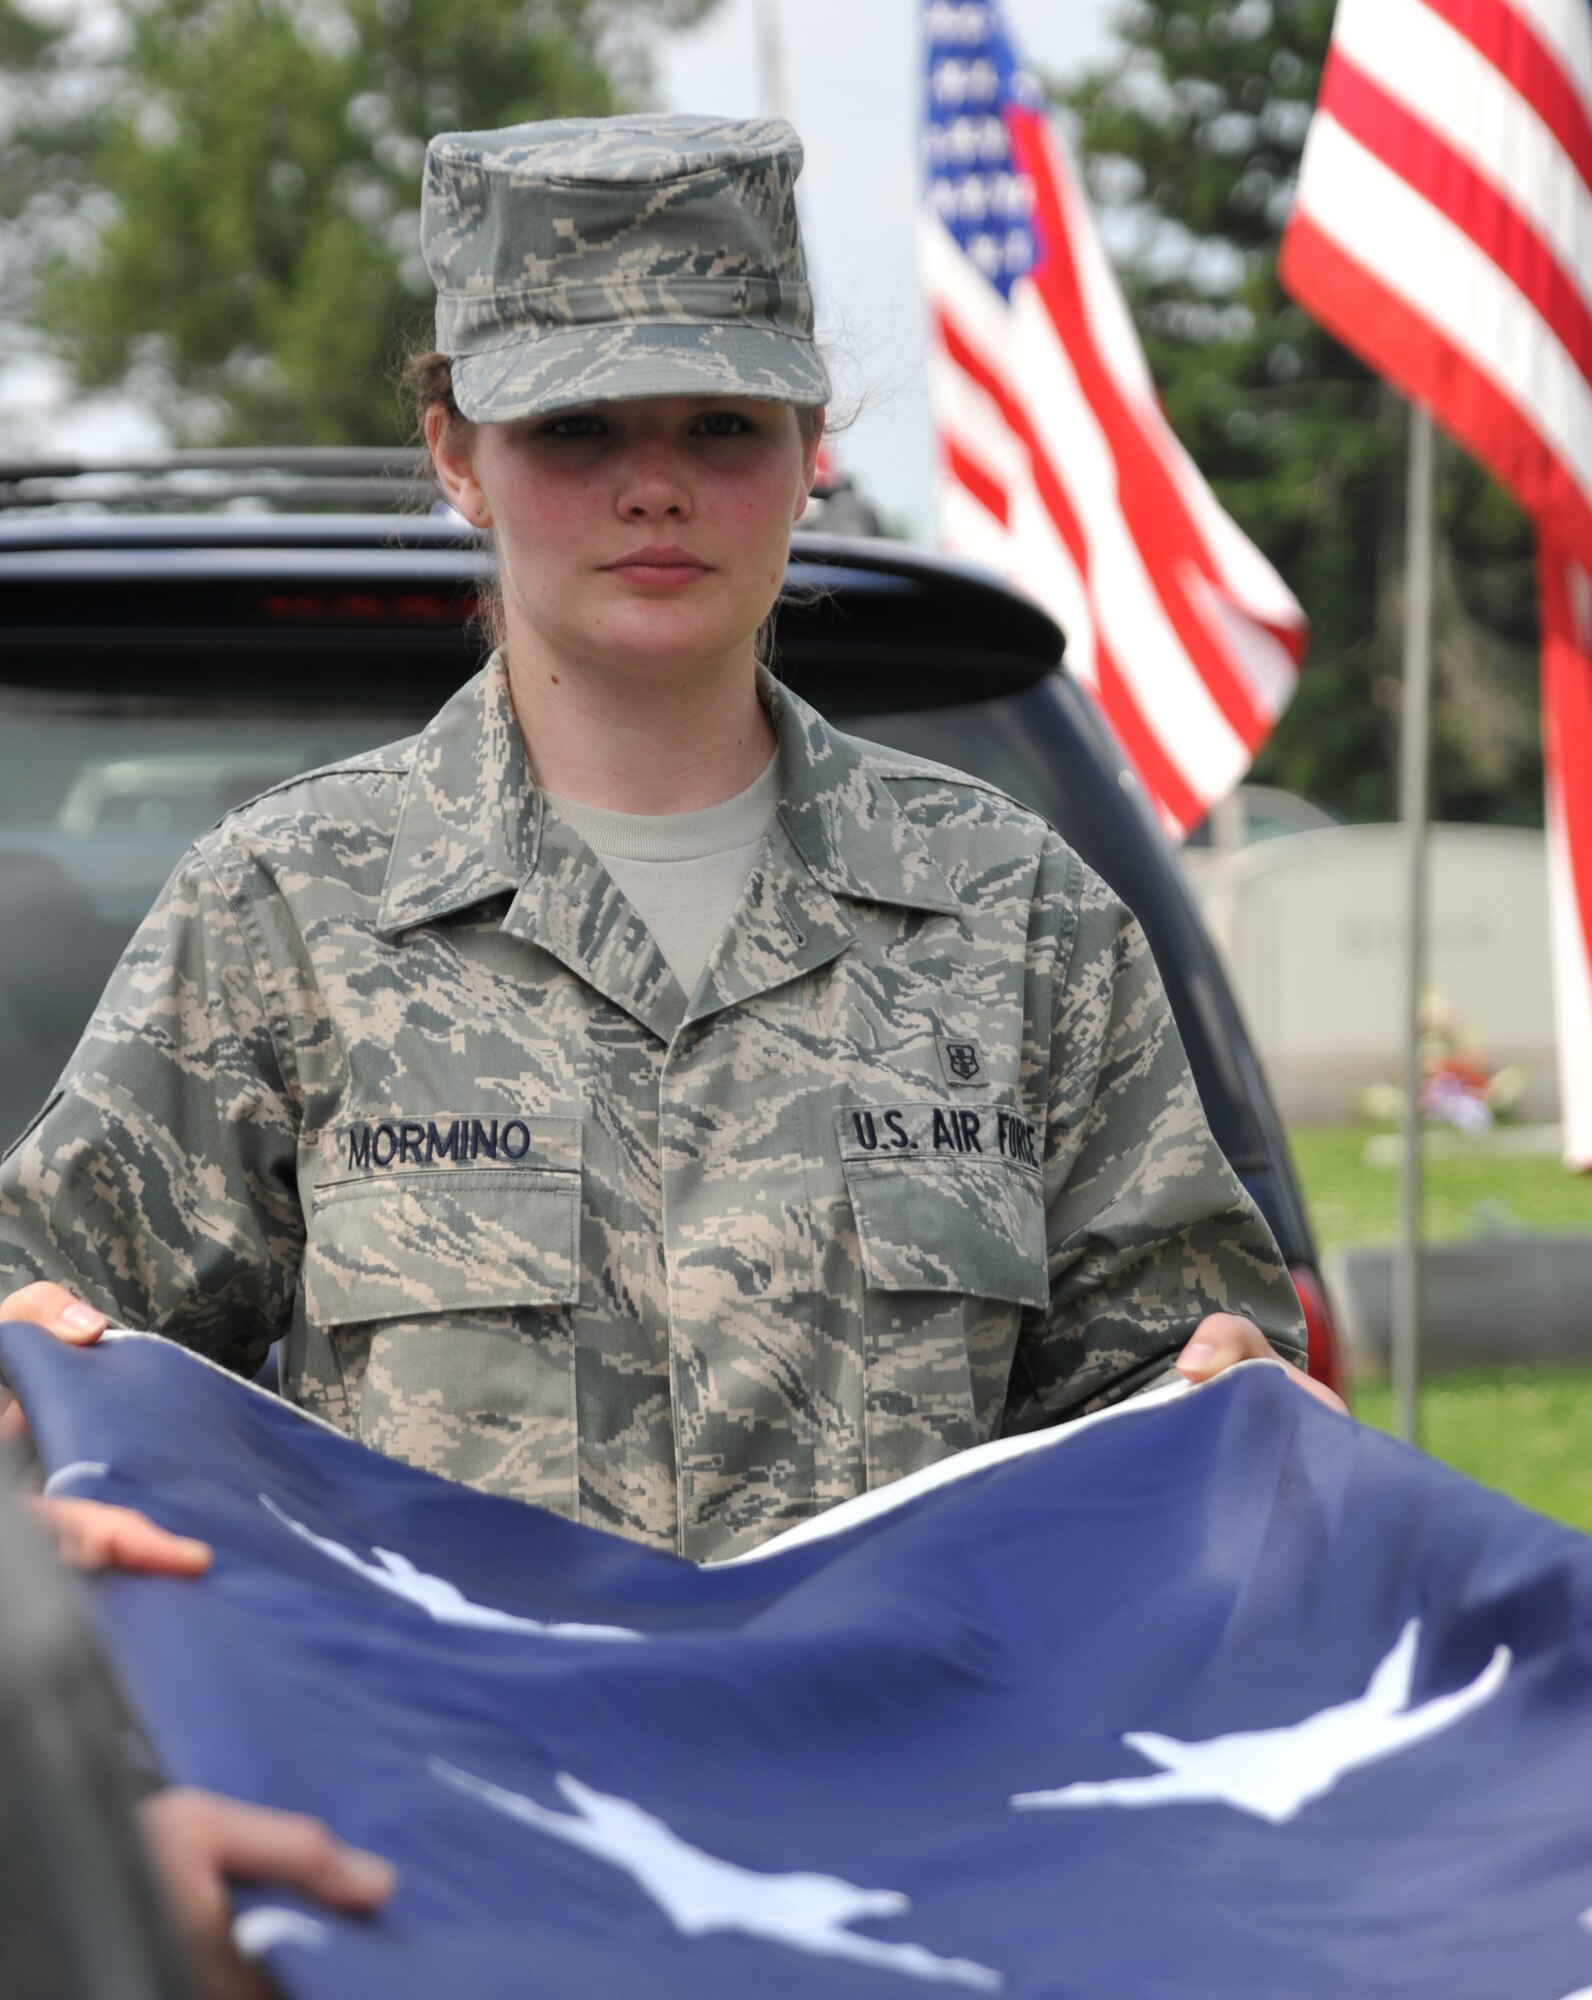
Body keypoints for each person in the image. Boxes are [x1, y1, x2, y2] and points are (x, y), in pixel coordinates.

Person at [0, 106, 1338, 1995]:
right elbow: (43, 1345)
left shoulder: (1019, 918)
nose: (655, 488)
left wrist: (1236, 1432)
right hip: (443, 1895)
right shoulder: (283, 916)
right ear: (458, 455)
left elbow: (1181, 1417)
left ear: (814, 448)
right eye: (576, 429)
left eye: (720, 423)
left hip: (924, 1896)